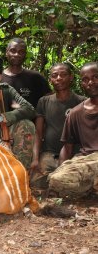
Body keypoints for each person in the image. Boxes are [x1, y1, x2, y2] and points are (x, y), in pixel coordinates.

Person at [29, 63, 85, 189]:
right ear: (51, 80)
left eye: (63, 74)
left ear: (71, 77)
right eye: (55, 75)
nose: (59, 78)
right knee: (34, 182)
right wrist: (35, 159)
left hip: (74, 155)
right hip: (49, 155)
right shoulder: (44, 101)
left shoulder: (82, 102)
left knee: (76, 183)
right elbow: (38, 132)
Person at [48, 62, 98, 197]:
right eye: (85, 79)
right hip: (85, 161)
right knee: (56, 180)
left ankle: (90, 187)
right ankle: (92, 187)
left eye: (95, 77)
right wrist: (60, 169)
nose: (90, 82)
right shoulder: (75, 113)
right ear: (81, 83)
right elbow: (67, 147)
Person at [1, 38, 51, 108]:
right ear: (6, 52)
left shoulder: (36, 77)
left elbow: (49, 102)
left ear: (25, 55)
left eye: (21, 52)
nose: (16, 54)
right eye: (13, 50)